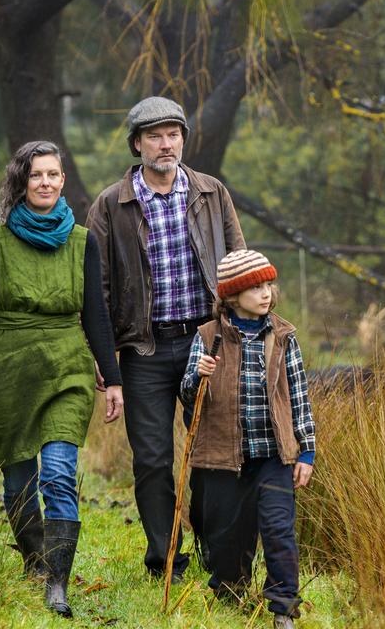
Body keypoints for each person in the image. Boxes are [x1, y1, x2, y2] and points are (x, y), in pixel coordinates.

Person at [0, 140, 125, 618]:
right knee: (19, 485)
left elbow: (96, 314)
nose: (45, 182)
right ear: (22, 182)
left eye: (53, 174)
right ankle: (34, 559)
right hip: (9, 368)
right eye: (36, 175)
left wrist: (113, 379)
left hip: (66, 368)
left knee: (58, 474)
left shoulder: (82, 241)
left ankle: (58, 582)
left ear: (63, 180)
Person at [85, 96, 245, 581]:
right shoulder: (111, 205)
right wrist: (103, 354)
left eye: (173, 134)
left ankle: (216, 549)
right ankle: (166, 559)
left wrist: (239, 331)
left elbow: (238, 262)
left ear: (182, 140)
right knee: (153, 460)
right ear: (137, 144)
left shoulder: (211, 192)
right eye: (154, 136)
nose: (165, 144)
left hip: (206, 343)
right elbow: (97, 288)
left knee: (214, 453)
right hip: (143, 350)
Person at [180, 250, 315, 629]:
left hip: (274, 457)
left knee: (278, 531)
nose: (266, 293)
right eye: (255, 287)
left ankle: (283, 606)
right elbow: (189, 396)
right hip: (224, 457)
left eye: (269, 285)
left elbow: (299, 395)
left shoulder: (284, 337)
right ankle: (231, 589)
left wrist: (307, 451)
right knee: (226, 537)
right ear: (233, 295)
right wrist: (198, 376)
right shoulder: (209, 337)